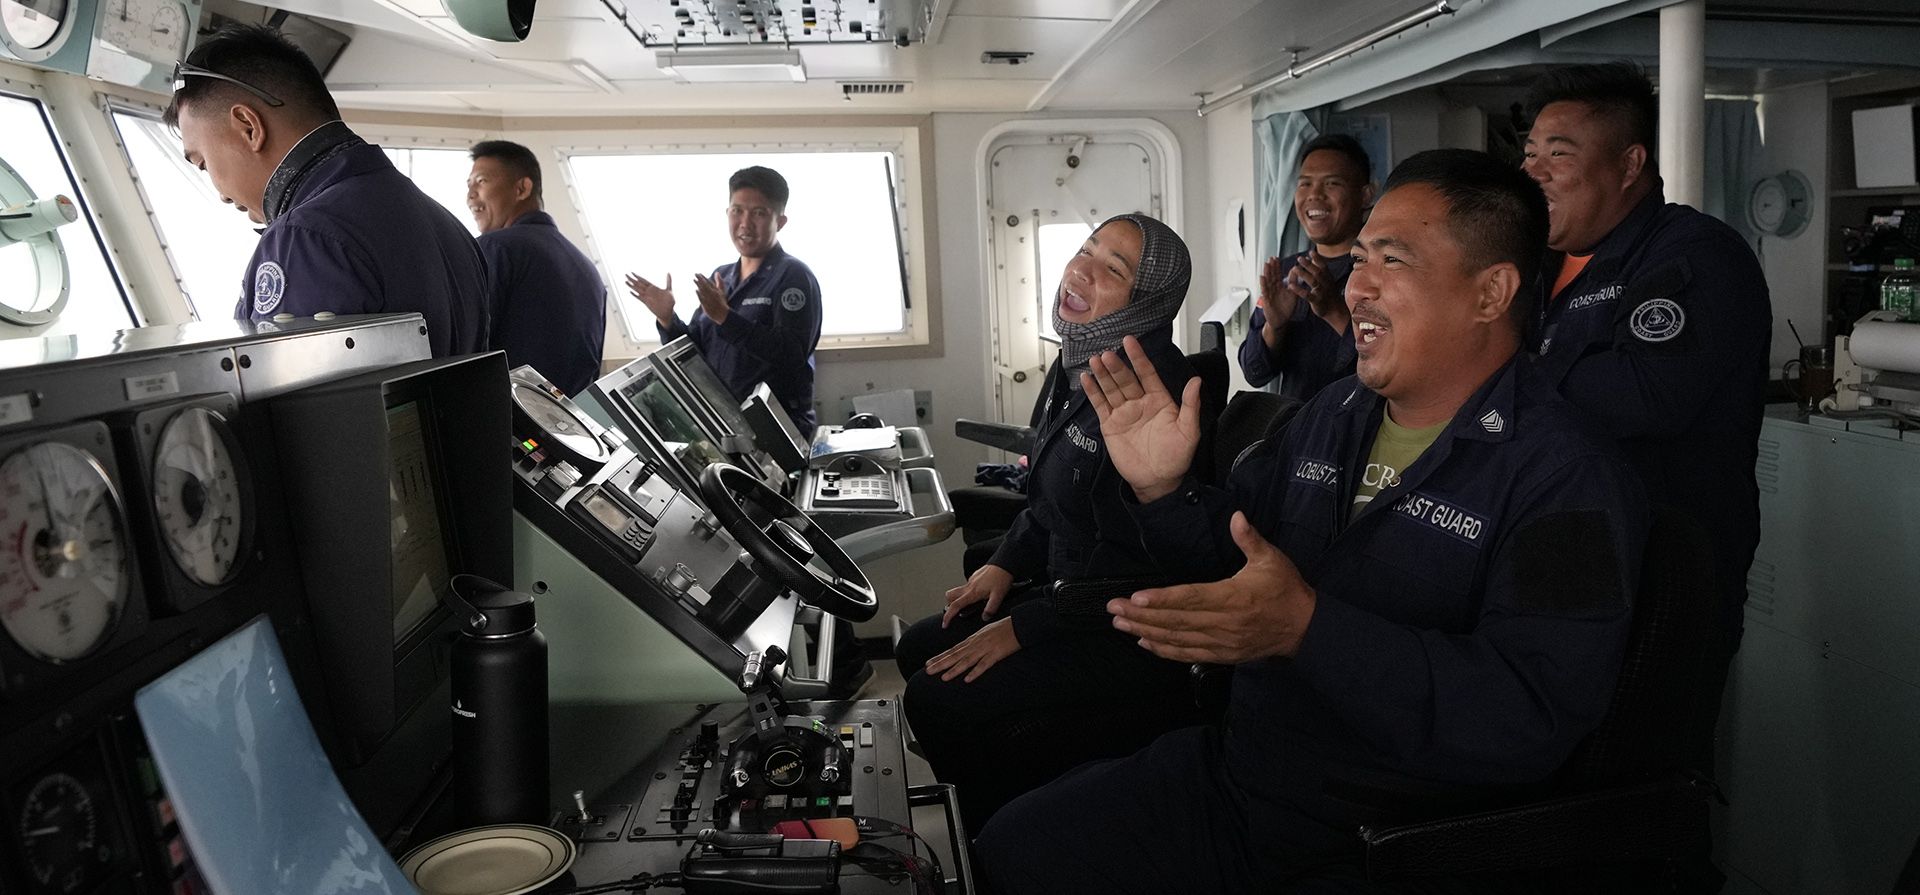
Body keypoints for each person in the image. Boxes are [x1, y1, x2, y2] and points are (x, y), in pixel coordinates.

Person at [976, 150, 1649, 891]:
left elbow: (1527, 715)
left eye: (1392, 261)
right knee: (1012, 848)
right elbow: (1238, 556)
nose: (1356, 286)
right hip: (1248, 770)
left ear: (1491, 292)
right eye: (1359, 259)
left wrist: (1311, 630)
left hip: (1381, 831)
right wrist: (1165, 490)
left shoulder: (1565, 476)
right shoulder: (1334, 413)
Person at [894, 213, 1205, 835]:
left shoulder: (1149, 389)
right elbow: (1052, 500)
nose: (1080, 269)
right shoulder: (1081, 361)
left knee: (936, 696)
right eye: (1086, 249)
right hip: (1070, 595)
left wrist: (1026, 627)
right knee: (919, 646)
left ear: (1148, 302)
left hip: (1127, 629)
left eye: (1112, 268)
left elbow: (1143, 562)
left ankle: (997, 828)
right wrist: (1005, 562)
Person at [1520, 62, 1771, 762]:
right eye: (1530, 152)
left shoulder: (1695, 256)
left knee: (1645, 787)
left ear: (1631, 163)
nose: (1534, 170)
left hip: (1662, 582)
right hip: (1568, 571)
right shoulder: (1540, 268)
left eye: (1559, 154)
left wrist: (1505, 372)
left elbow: (1646, 394)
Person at [165, 25, 486, 358]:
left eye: (203, 163)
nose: (220, 193)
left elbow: (299, 407)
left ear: (249, 126)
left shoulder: (305, 238)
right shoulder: (443, 222)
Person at [624, 166, 823, 438]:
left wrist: (726, 318)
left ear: (781, 221)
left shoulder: (793, 276)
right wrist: (668, 319)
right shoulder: (723, 277)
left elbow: (791, 354)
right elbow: (693, 355)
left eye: (759, 213)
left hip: (778, 428)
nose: (745, 223)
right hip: (724, 425)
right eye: (737, 211)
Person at [1238, 133, 1374, 401]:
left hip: (1358, 429)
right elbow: (1254, 373)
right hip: (1295, 428)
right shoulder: (1289, 271)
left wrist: (1334, 310)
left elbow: (1391, 364)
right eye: (1305, 184)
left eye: (1332, 183)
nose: (1314, 195)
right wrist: (1274, 327)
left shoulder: (1379, 271)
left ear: (1365, 196)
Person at [467, 140, 606, 396]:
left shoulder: (495, 248)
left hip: (509, 427)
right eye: (469, 186)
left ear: (522, 188)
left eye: (481, 181)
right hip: (569, 426)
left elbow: (466, 351)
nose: (470, 195)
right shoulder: (586, 267)